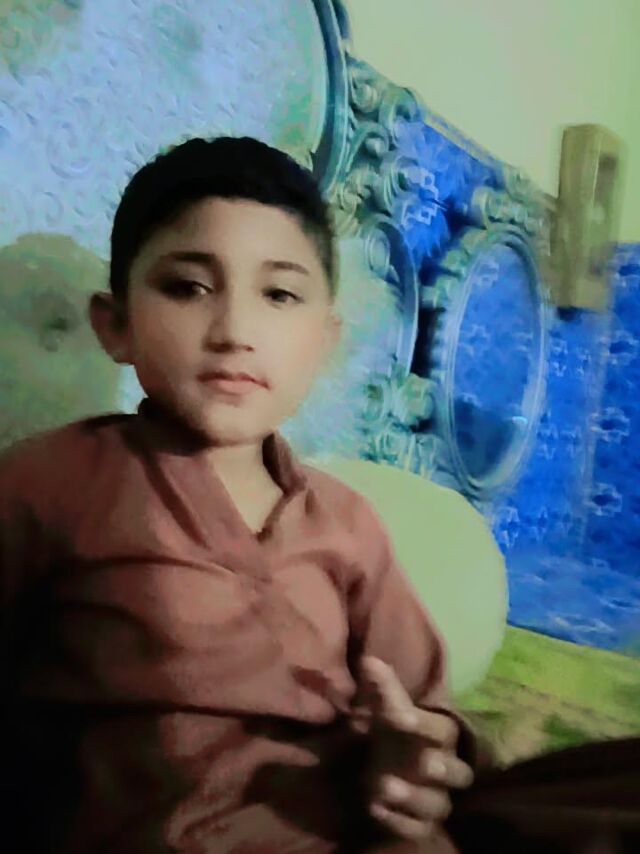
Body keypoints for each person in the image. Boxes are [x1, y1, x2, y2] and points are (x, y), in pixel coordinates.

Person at [0, 136, 475, 853]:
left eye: (279, 295)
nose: (235, 332)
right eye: (189, 288)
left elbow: (424, 712)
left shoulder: (347, 523)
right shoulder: (51, 483)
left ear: (324, 340)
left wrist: (417, 765)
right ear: (116, 325)